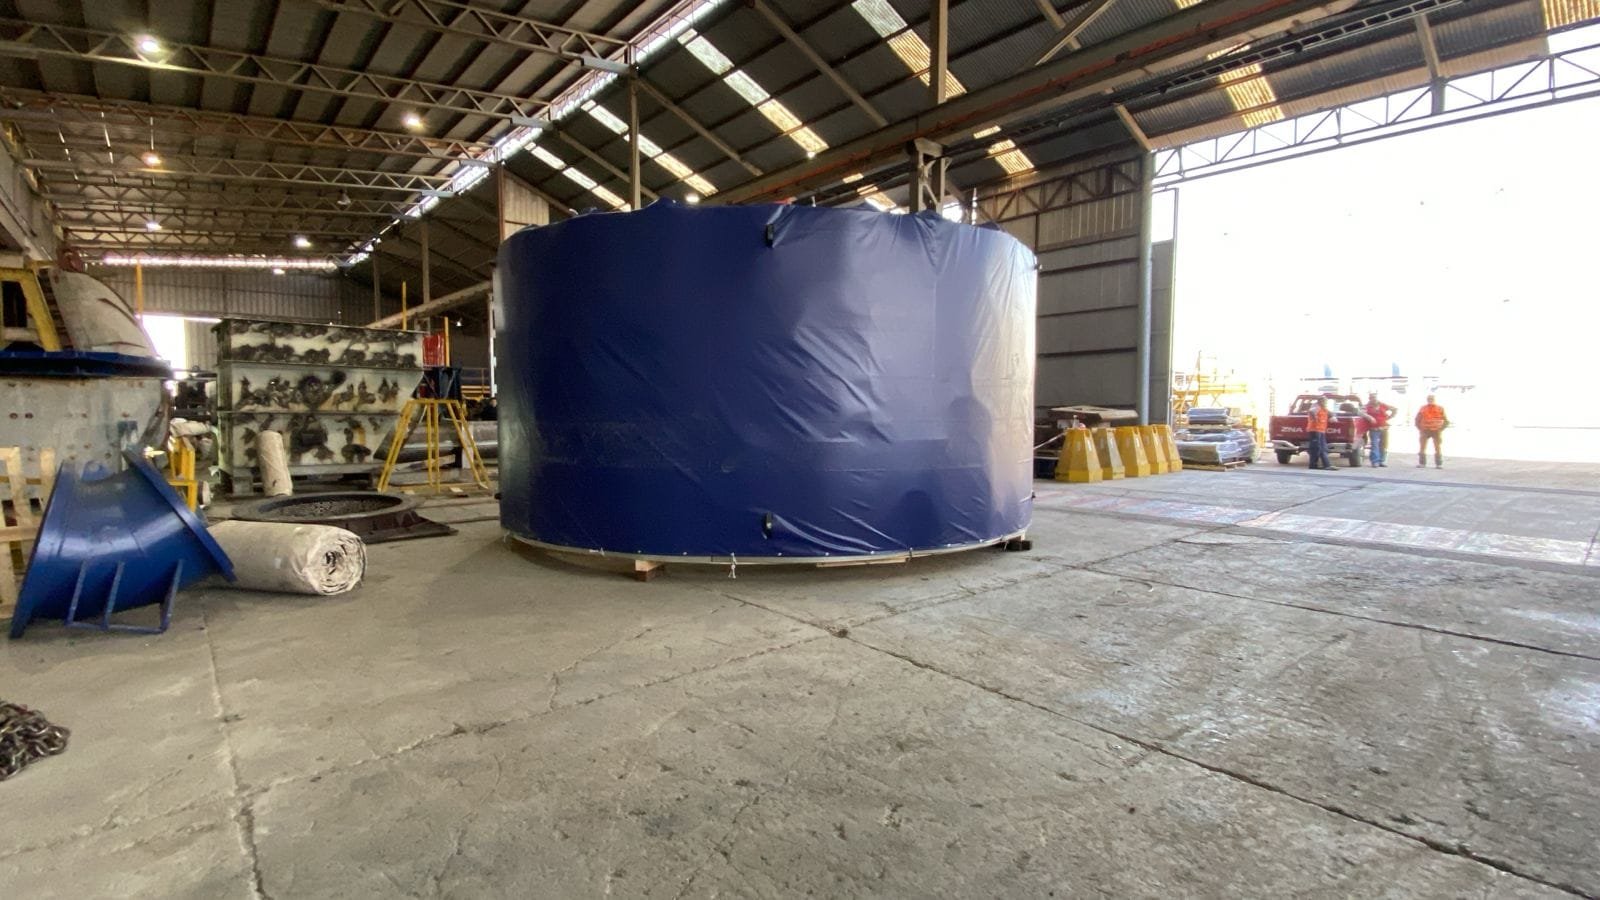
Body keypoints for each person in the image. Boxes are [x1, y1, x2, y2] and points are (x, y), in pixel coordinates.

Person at [1415, 393, 1449, 468]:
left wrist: (1441, 429)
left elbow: (1446, 421)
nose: (1430, 400)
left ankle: (1438, 464)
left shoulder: (1440, 408)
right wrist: (1420, 428)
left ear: (1434, 400)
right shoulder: (1423, 408)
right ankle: (1422, 463)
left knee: (1437, 447)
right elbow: (1417, 419)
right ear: (1427, 400)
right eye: (1429, 399)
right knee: (1422, 447)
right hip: (1425, 430)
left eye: (1432, 399)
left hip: (1436, 431)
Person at [1364, 392, 1398, 467]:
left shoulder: (1383, 405)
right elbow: (1360, 412)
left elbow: (1395, 409)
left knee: (1384, 445)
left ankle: (1381, 461)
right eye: (1372, 397)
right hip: (1374, 428)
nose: (1374, 399)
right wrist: (1369, 417)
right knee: (1374, 445)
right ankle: (1375, 461)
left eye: (1375, 397)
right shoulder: (1367, 406)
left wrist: (1390, 417)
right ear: (1369, 398)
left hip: (1384, 428)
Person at [1306, 397, 1336, 470]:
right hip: (1315, 430)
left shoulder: (1324, 409)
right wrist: (1314, 418)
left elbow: (1331, 415)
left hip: (1321, 431)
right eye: (1325, 401)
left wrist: (1332, 416)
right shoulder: (1317, 407)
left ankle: (1326, 465)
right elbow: (1311, 411)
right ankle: (1314, 465)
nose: (1326, 403)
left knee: (1322, 448)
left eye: (1326, 402)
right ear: (1320, 402)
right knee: (1316, 448)